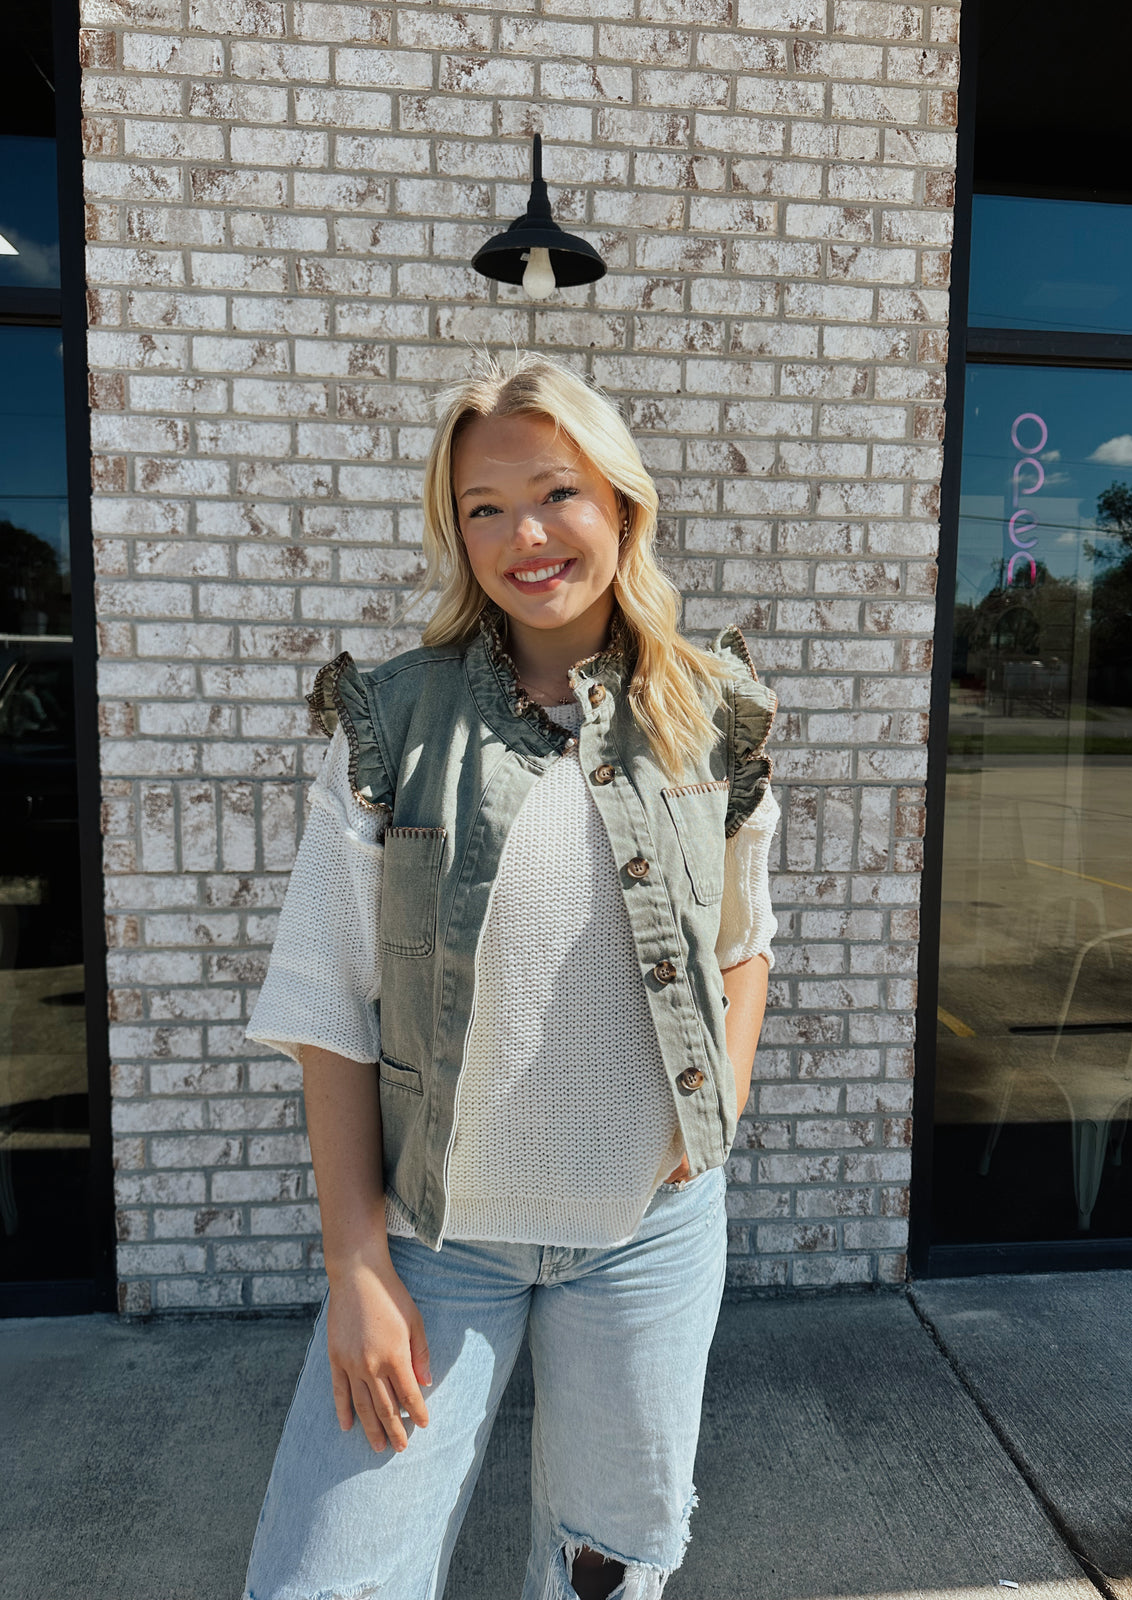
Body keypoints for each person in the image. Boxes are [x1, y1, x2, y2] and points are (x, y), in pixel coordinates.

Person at [241, 349, 780, 1600]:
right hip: (437, 1240)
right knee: (331, 1574)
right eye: (484, 508)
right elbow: (328, 1005)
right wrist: (355, 1264)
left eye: (555, 493)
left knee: (607, 1566)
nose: (523, 535)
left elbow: (745, 941)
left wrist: (719, 1114)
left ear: (621, 503)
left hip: (645, 1238)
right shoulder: (393, 716)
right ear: (456, 532)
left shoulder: (715, 715)